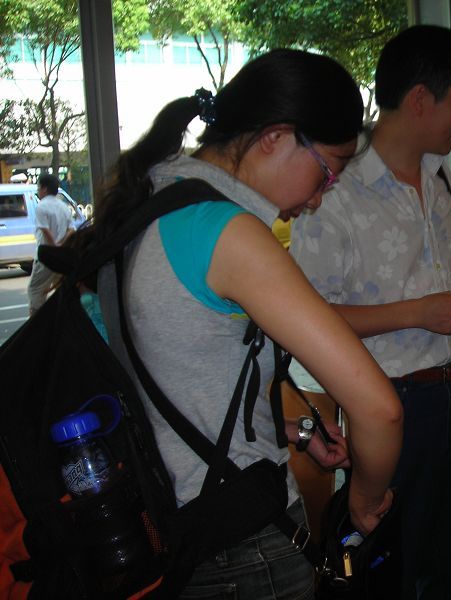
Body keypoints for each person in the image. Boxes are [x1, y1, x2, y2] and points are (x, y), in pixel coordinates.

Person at [70, 49, 403, 599]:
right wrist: (366, 501)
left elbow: (176, 372)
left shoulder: (152, 199)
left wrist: (293, 431)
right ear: (275, 137)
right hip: (241, 547)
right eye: (328, 172)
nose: (319, 199)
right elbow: (379, 409)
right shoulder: (228, 231)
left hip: (176, 527)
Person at [290, 25, 451, 600]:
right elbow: (308, 318)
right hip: (389, 402)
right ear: (420, 99)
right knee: (390, 566)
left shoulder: (440, 176)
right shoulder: (333, 189)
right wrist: (418, 312)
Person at [28, 173, 74, 314]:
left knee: (35, 289)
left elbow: (44, 229)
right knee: (60, 288)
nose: (38, 191)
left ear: (44, 188)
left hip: (45, 257)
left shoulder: (41, 206)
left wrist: (53, 246)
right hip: (60, 257)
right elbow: (71, 230)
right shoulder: (63, 206)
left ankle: (37, 319)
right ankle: (62, 317)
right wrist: (61, 245)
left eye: (38, 187)